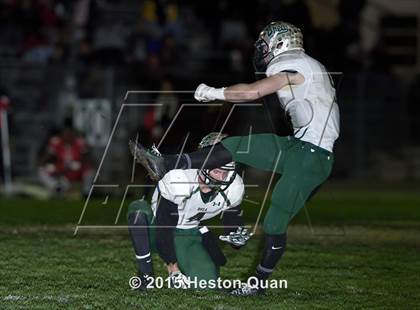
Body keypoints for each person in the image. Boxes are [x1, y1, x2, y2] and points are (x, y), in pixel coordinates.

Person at [130, 21, 340, 295]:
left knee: (275, 223)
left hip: (312, 156)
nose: (262, 51)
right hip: (299, 146)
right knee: (235, 145)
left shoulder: (293, 63)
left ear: (280, 43)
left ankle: (259, 284)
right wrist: (234, 230)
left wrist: (213, 93)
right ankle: (167, 163)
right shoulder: (309, 66)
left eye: (265, 45)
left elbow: (252, 92)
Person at [128, 133, 248, 290]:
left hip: (188, 234)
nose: (221, 172)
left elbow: (232, 227)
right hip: (156, 227)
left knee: (207, 283)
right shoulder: (180, 178)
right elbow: (165, 227)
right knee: (138, 211)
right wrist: (173, 269)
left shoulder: (234, 187)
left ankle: (190, 262)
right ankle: (146, 276)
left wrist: (237, 237)